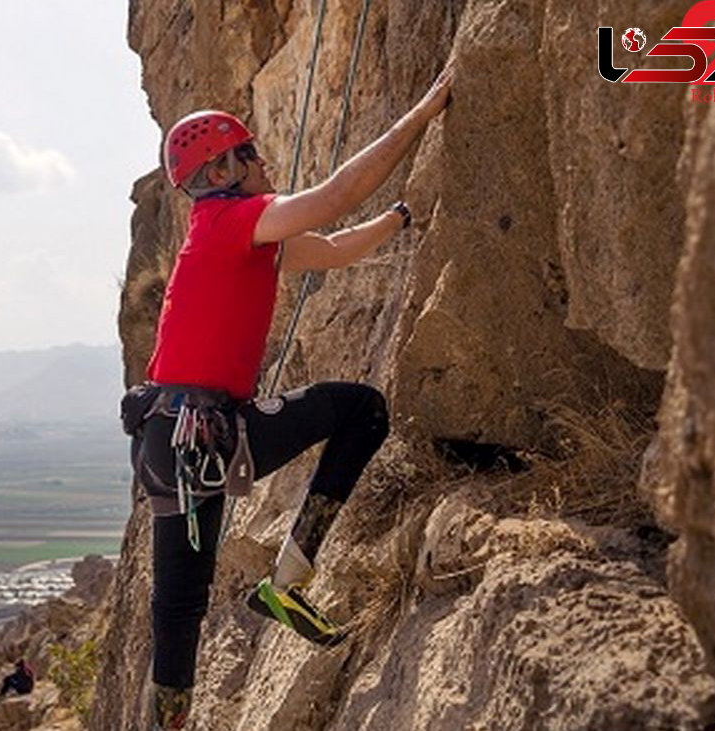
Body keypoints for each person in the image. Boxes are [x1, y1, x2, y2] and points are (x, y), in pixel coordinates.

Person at [121, 62, 454, 730]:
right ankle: (285, 582)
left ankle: (175, 714)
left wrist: (401, 215)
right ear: (221, 172)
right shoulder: (229, 221)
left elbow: (330, 246)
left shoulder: (235, 237)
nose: (264, 159)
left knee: (179, 611)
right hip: (200, 432)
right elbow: (331, 198)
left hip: (178, 438)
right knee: (361, 409)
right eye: (250, 153)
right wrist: (423, 114)